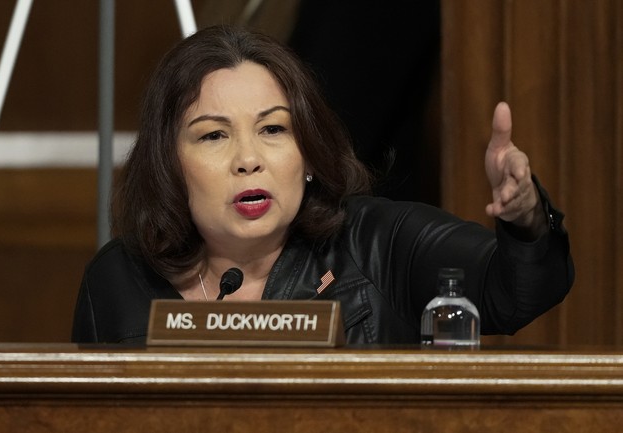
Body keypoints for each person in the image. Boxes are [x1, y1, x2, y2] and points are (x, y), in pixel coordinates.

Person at [71, 24, 574, 345]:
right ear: (170, 163)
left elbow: (515, 292)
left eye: (273, 129)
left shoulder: (377, 243)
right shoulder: (118, 280)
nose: (248, 160)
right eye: (214, 135)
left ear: (308, 153)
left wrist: (526, 219)